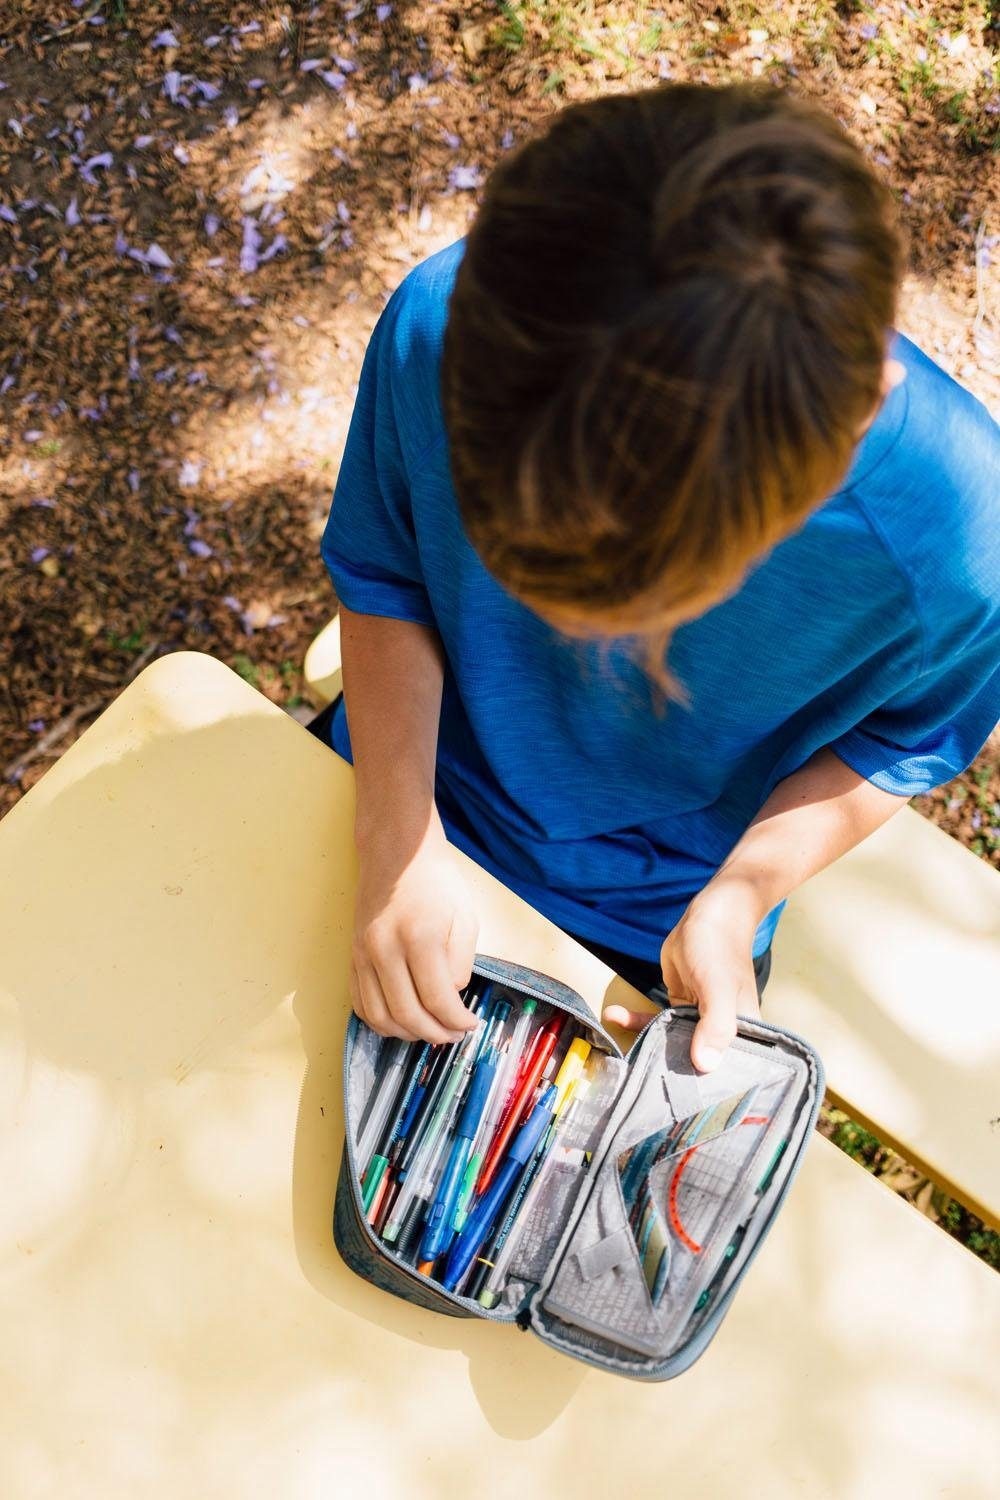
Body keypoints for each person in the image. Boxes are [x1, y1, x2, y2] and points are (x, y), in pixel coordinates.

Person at [318, 80, 1000, 1072]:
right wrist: (396, 841)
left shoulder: (961, 552)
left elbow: (900, 739)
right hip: (396, 787)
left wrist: (739, 899)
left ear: (858, 417)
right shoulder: (453, 329)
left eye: (643, 603)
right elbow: (386, 572)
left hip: (653, 914)